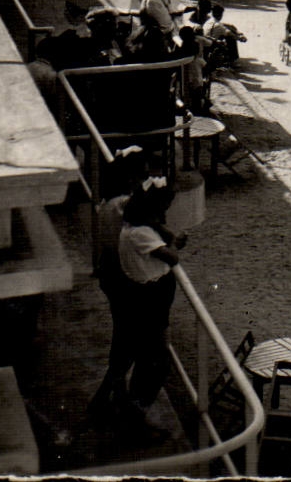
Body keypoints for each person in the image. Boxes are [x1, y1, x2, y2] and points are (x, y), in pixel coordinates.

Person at [91, 179, 183, 429]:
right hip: (149, 298)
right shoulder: (140, 233)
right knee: (154, 359)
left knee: (130, 352)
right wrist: (169, 241)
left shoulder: (135, 227)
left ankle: (111, 402)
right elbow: (171, 257)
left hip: (144, 296)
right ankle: (135, 409)